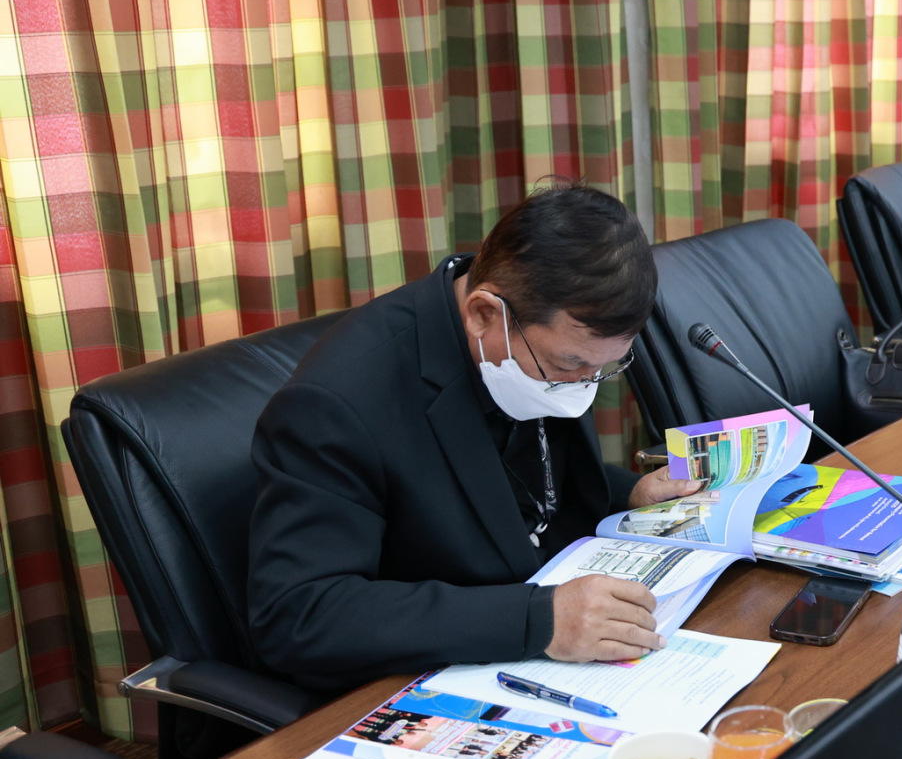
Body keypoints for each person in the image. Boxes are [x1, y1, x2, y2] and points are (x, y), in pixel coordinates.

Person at [249, 183, 702, 693]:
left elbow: (525, 481)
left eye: (604, 368)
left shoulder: (532, 340)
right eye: (570, 364)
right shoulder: (335, 404)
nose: (584, 385)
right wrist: (537, 620)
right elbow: (299, 614)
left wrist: (629, 493)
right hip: (415, 681)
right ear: (484, 313)